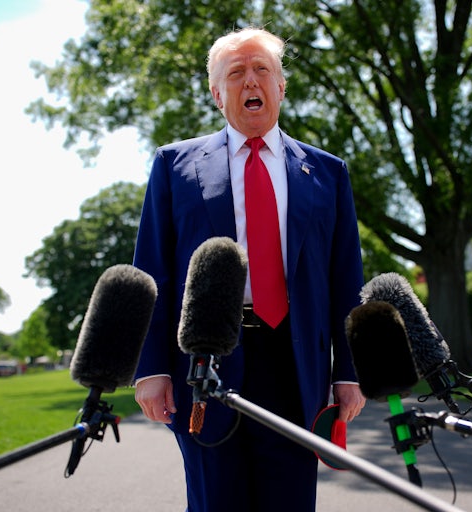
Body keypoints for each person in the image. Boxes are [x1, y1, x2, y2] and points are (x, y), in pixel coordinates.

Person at [133, 27, 366, 512]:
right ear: (218, 94)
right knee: (216, 503)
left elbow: (346, 280)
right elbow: (151, 271)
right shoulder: (174, 166)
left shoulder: (327, 173)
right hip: (205, 366)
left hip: (295, 368)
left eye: (263, 70)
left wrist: (349, 371)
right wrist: (151, 368)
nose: (251, 81)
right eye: (236, 73)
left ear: (281, 87)